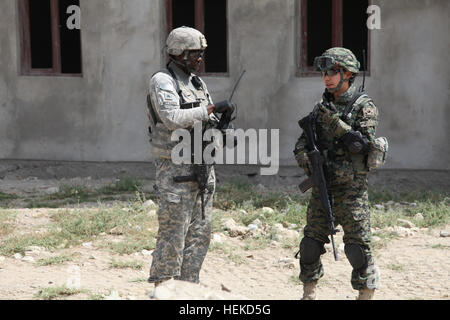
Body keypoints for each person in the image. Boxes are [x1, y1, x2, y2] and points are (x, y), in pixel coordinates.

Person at [146, 26, 234, 286]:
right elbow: (172, 117)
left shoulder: (196, 82)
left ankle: (187, 287)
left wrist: (222, 122)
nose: (200, 59)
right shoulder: (163, 81)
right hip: (175, 169)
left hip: (202, 166)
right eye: (195, 54)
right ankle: (163, 285)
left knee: (199, 233)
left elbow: (206, 119)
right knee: (174, 231)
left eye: (201, 54)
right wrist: (209, 108)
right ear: (178, 53)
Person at [293, 47, 380, 300]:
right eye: (324, 73)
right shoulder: (321, 107)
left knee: (357, 249)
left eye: (332, 72)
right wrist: (306, 159)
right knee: (309, 245)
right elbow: (301, 143)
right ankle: (308, 294)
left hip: (351, 191)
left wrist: (334, 122)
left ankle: (365, 294)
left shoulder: (363, 107)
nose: (326, 78)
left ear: (348, 73)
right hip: (322, 188)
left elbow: (362, 144)